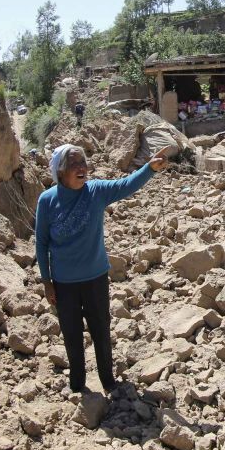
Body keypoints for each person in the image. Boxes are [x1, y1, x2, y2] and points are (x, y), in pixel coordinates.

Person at [35, 144, 168, 394]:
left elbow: (125, 185)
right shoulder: (47, 200)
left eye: (83, 162)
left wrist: (150, 168)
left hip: (95, 278)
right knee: (72, 336)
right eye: (74, 164)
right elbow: (41, 243)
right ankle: (78, 386)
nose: (81, 168)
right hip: (63, 284)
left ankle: (108, 382)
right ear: (61, 171)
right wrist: (46, 281)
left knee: (101, 332)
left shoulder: (95, 191)